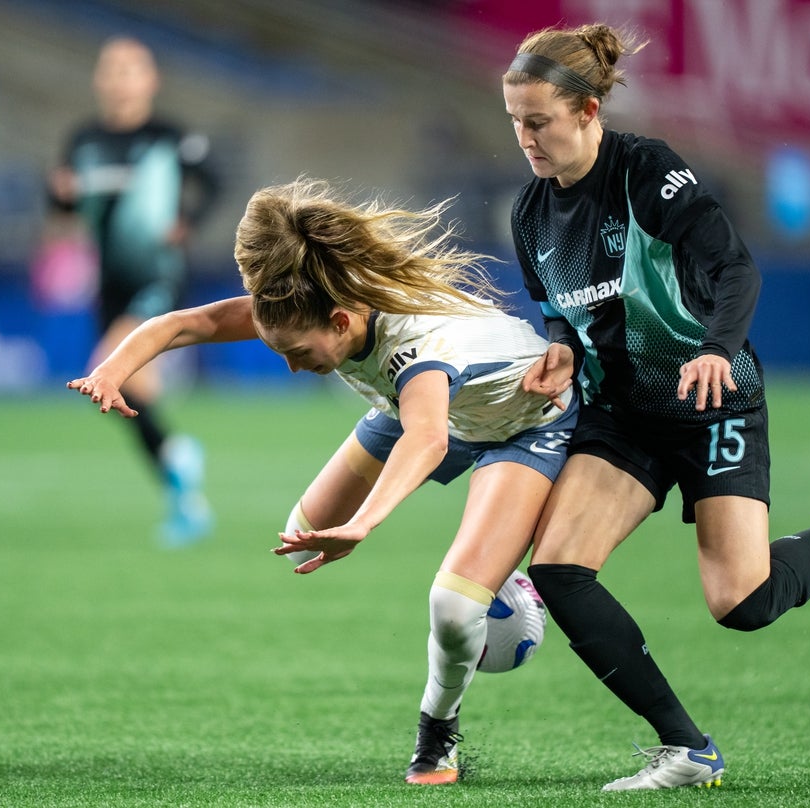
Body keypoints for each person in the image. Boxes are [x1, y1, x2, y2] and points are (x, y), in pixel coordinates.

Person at [502, 24, 810, 792]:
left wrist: (715, 348)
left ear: (588, 111)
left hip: (711, 400)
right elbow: (560, 313)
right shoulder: (530, 214)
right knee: (560, 569)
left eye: (538, 121)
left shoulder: (645, 172)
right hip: (621, 415)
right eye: (514, 122)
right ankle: (686, 748)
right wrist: (560, 347)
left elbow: (734, 268)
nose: (525, 138)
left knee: (743, 603)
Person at [67, 178, 578, 786]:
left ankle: (437, 740)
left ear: (340, 322)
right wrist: (112, 371)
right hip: (422, 408)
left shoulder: (414, 342)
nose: (291, 367)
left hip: (523, 417)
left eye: (299, 354)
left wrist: (362, 525)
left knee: (452, 605)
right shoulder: (308, 305)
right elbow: (187, 323)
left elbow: (427, 441)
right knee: (300, 537)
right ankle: (488, 567)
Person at [49, 35, 220, 545]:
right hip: (108, 283)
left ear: (151, 80)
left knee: (105, 370)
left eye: (131, 69)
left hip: (157, 276)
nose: (120, 79)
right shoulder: (83, 140)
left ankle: (177, 458)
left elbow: (213, 182)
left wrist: (187, 221)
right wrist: (59, 196)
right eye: (112, 69)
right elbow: (62, 203)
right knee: (127, 390)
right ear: (99, 79)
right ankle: (182, 486)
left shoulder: (168, 137)